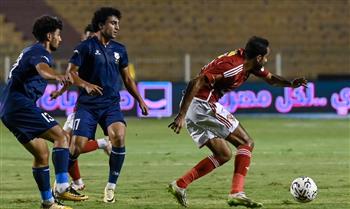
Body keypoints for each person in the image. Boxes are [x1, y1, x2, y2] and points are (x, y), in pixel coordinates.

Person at [168, 36, 307, 208]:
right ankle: (236, 193)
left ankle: (180, 184)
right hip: (202, 105)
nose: (266, 60)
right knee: (246, 142)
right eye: (265, 57)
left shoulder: (248, 64)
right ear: (258, 58)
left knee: (223, 154)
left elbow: (270, 78)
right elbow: (196, 81)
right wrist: (181, 115)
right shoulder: (233, 66)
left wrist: (291, 84)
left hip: (194, 107)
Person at [0, 15, 87, 209]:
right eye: (58, 35)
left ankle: (48, 202)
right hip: (20, 105)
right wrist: (57, 76)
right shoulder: (40, 52)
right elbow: (42, 69)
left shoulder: (30, 51)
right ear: (49, 36)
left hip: (9, 110)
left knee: (41, 154)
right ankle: (63, 186)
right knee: (62, 136)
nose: (60, 39)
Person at [65, 7, 149, 203]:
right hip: (87, 106)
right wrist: (86, 85)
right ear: (101, 25)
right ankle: (61, 183)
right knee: (76, 147)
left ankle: (110, 187)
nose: (117, 27)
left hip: (111, 105)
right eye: (113, 23)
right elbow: (70, 73)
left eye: (118, 23)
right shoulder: (85, 47)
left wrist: (141, 100)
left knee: (119, 136)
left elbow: (127, 79)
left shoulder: (120, 49)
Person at [50, 23, 111, 191]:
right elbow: (72, 76)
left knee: (66, 145)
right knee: (67, 145)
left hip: (88, 107)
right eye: (88, 36)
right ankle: (77, 182)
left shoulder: (99, 57)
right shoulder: (83, 54)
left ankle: (100, 145)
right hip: (81, 107)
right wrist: (60, 92)